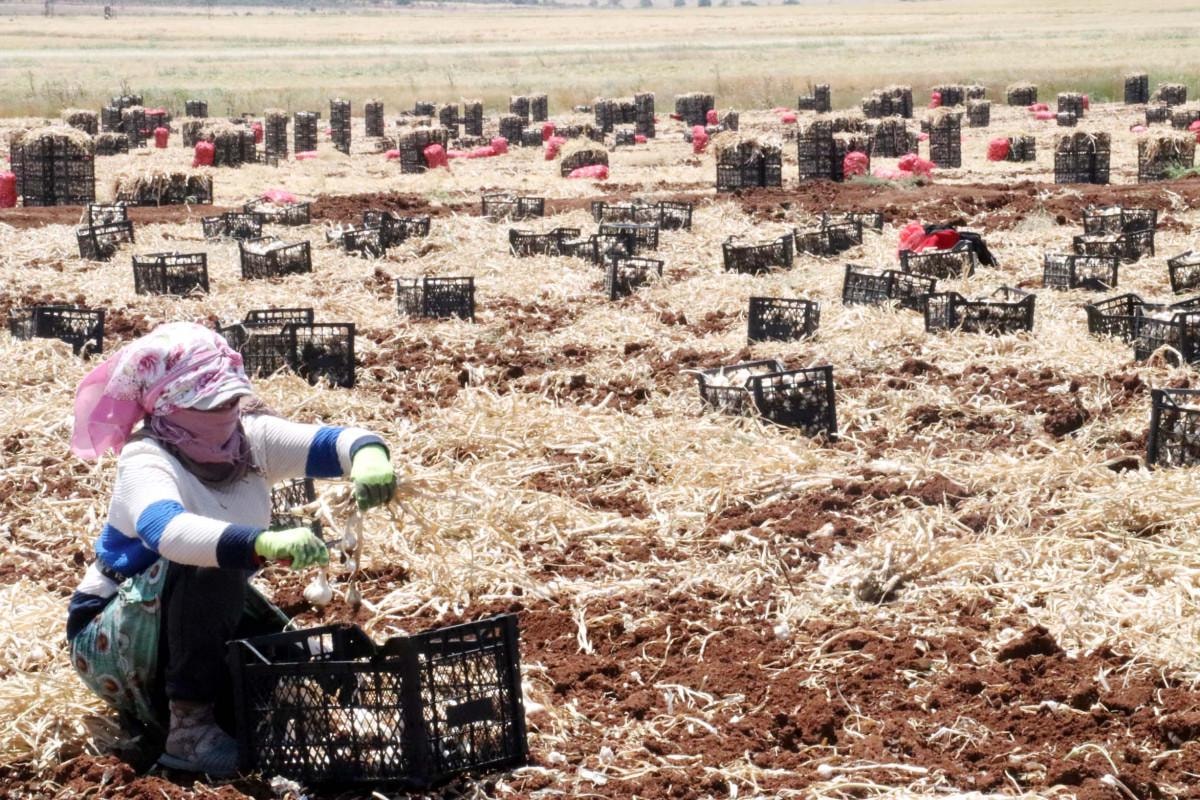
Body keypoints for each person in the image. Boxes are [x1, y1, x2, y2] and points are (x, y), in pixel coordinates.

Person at [65, 322, 395, 776]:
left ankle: (217, 708)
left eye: (228, 398)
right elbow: (169, 532)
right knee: (212, 566)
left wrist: (369, 456)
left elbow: (336, 442)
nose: (223, 410)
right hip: (112, 637)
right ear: (166, 405)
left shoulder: (248, 439)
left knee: (301, 663)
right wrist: (260, 542)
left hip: (193, 621)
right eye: (206, 402)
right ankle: (189, 730)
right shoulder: (147, 457)